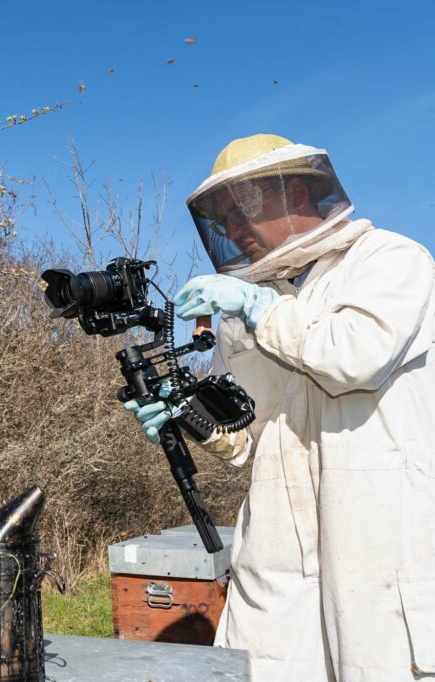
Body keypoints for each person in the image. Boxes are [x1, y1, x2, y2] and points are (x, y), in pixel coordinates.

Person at [127, 134, 435, 680]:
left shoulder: (391, 260)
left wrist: (260, 308)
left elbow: (353, 358)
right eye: (221, 222)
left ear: (293, 190)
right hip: (277, 554)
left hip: (381, 548)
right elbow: (247, 435)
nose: (233, 232)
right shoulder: (239, 310)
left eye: (239, 212)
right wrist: (189, 420)